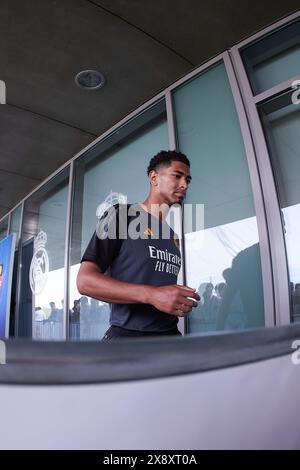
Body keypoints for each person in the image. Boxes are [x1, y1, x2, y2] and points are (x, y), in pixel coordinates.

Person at [77, 150, 200, 339]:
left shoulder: (173, 237)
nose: (184, 184)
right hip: (129, 339)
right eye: (177, 176)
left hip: (170, 337)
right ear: (154, 178)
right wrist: (152, 295)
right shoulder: (120, 215)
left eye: (188, 180)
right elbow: (85, 281)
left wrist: (178, 299)